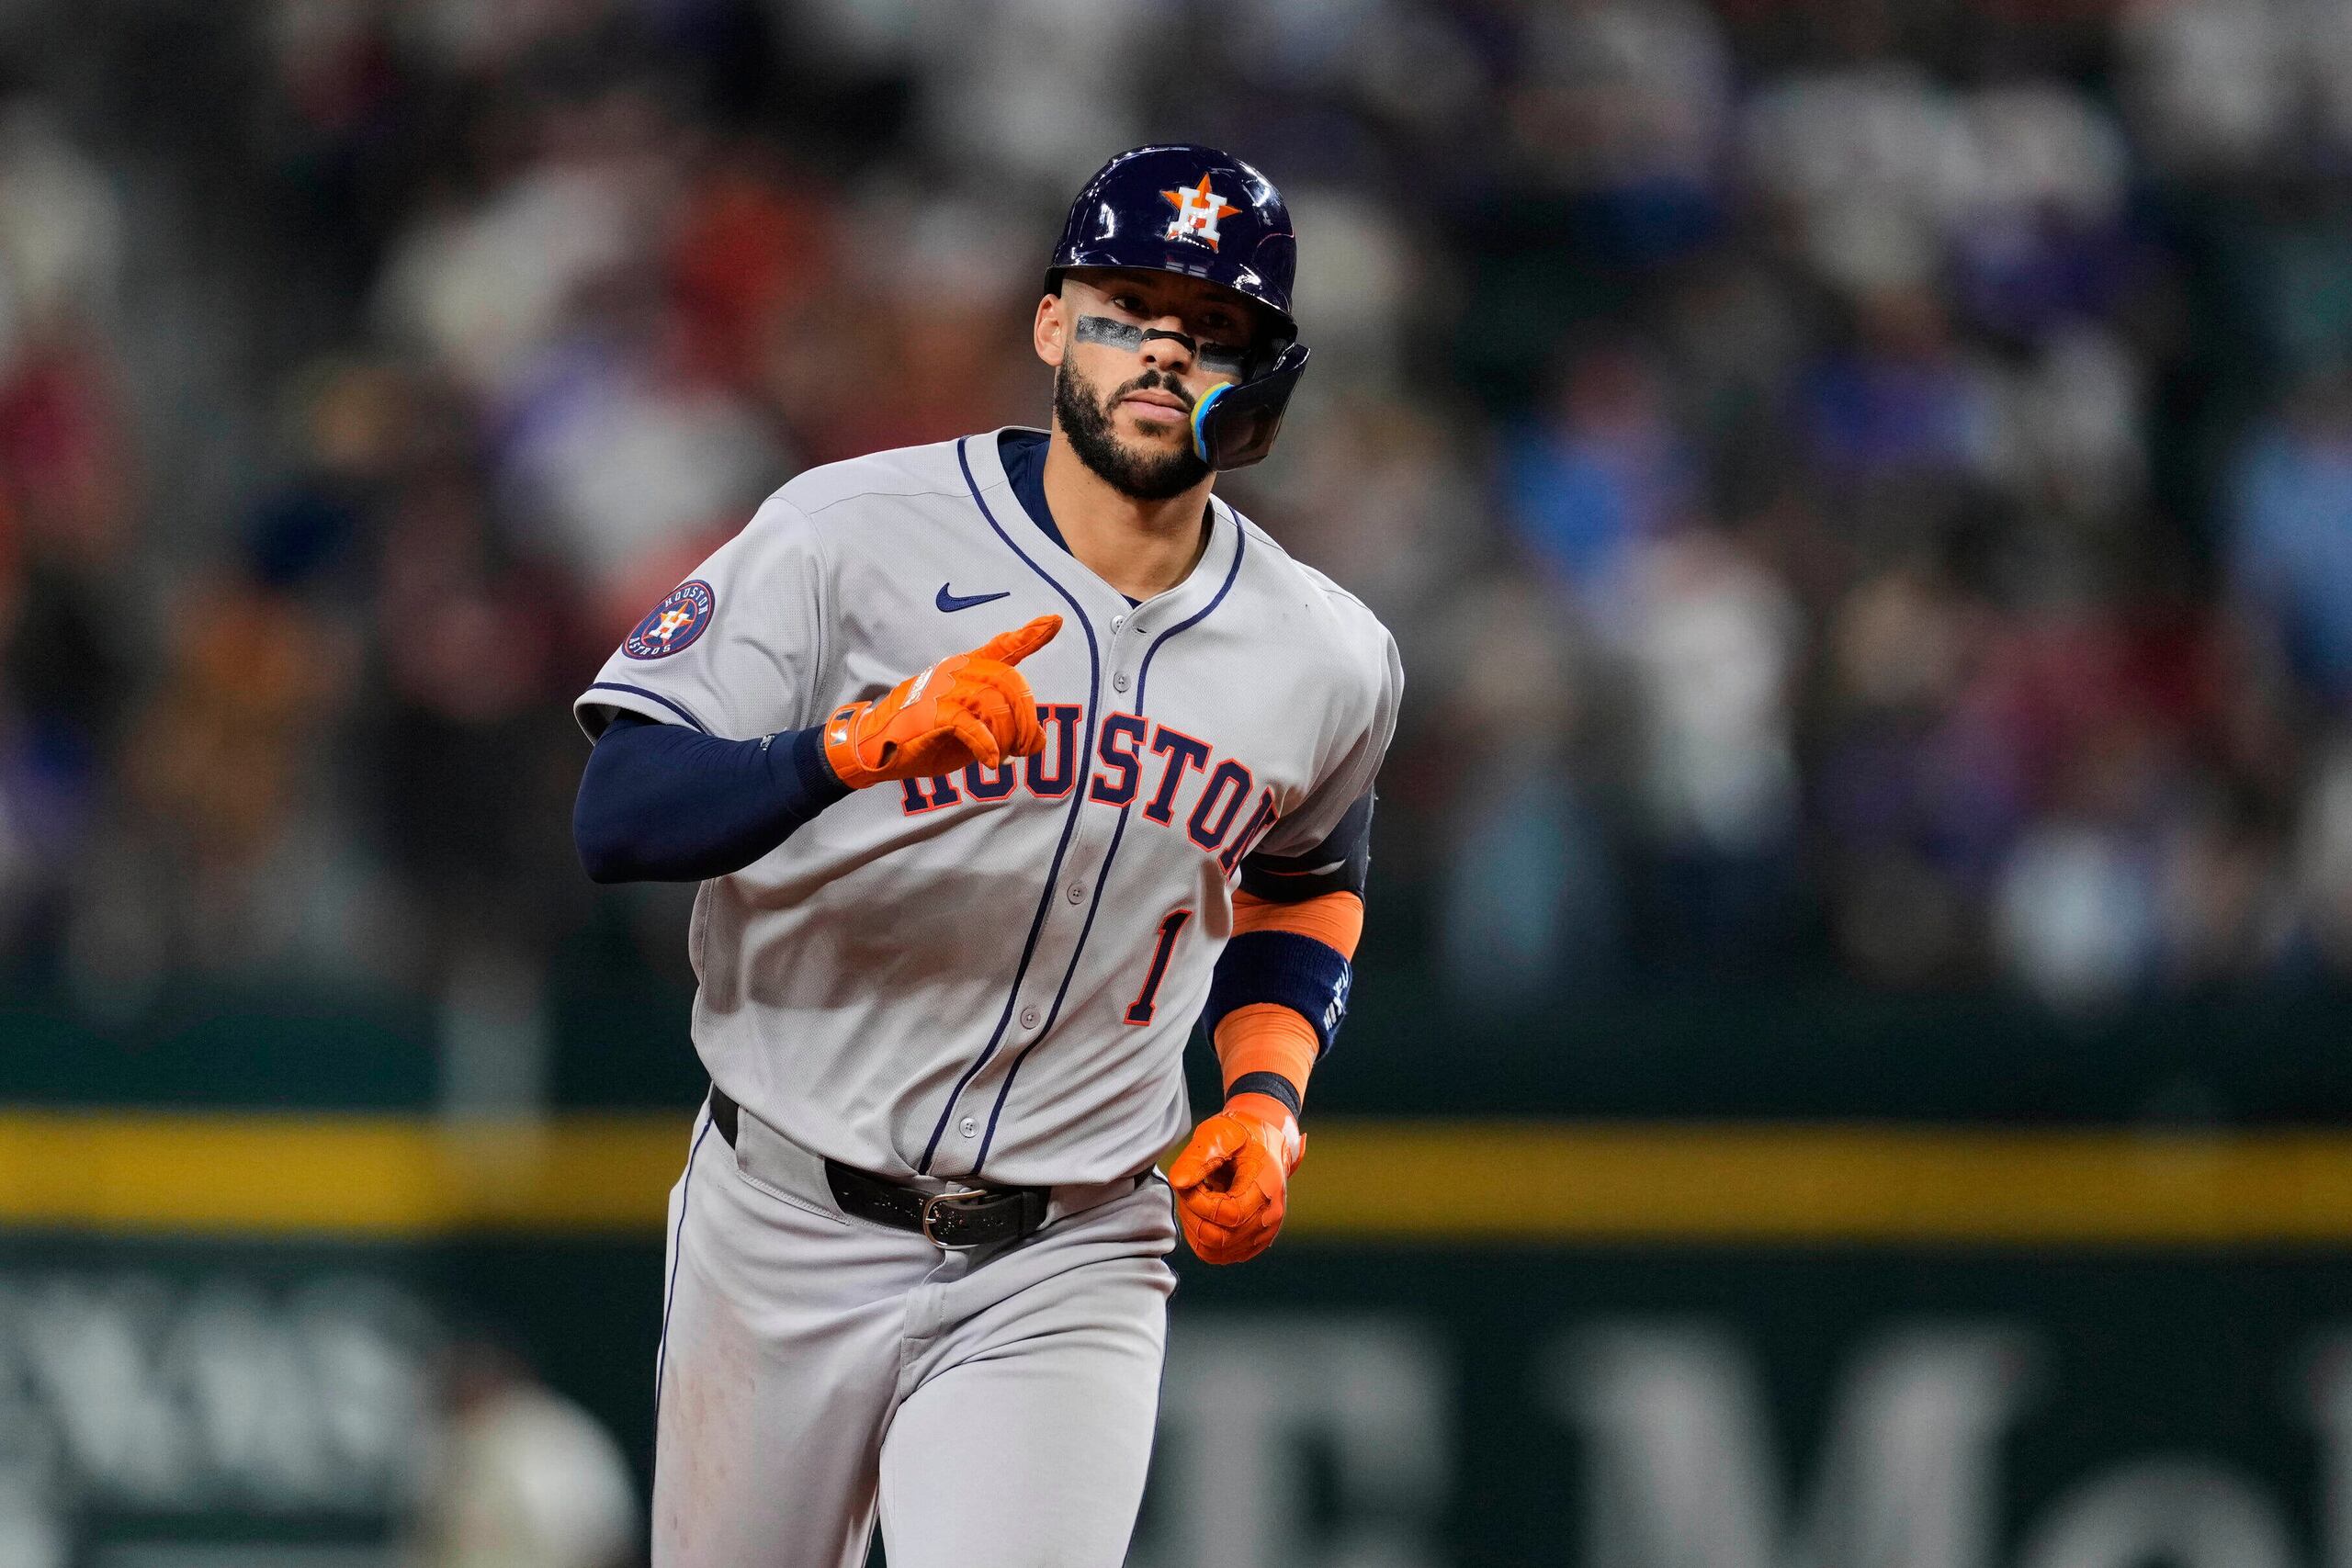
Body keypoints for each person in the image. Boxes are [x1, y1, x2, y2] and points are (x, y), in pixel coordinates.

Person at [570, 143, 1400, 1568]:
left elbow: (1308, 884)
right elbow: (620, 808)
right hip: (785, 1218)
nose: (1162, 353)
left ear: (1267, 376)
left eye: (1212, 331)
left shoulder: (1327, 657)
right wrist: (845, 748)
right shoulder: (850, 532)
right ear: (1049, 322)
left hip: (1072, 1247)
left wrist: (1266, 1100)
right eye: (1127, 308)